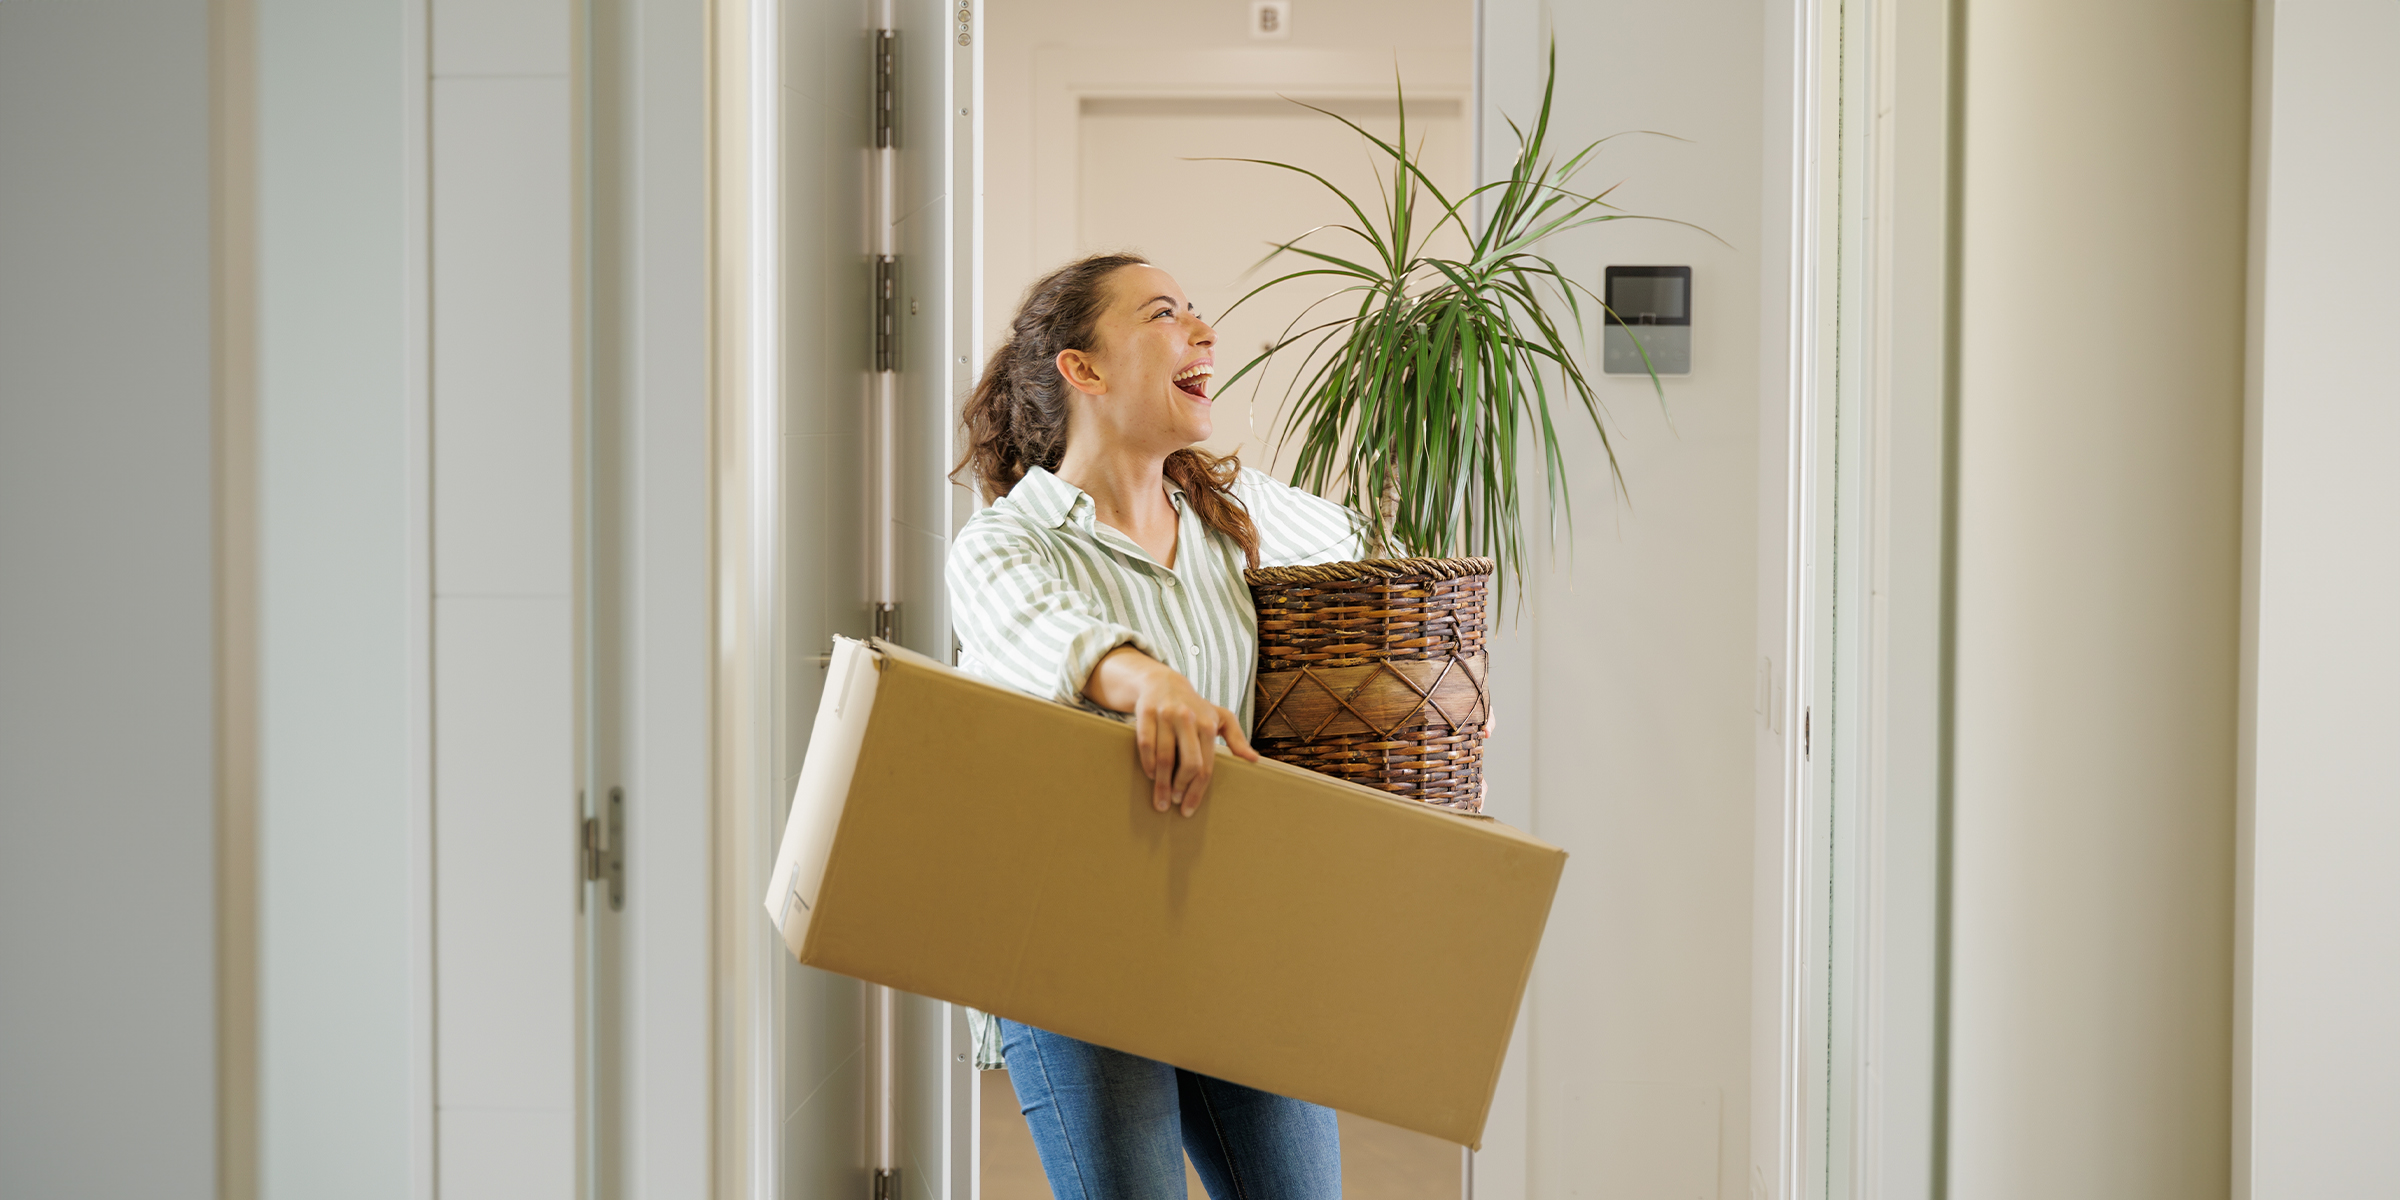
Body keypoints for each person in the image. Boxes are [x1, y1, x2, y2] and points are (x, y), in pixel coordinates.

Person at [947, 252, 1364, 1200]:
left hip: (1230, 935)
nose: (1204, 333)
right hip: (1070, 954)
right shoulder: (1005, 541)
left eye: (1197, 314)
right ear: (1082, 370)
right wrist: (1145, 681)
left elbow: (1384, 575)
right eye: (1166, 315)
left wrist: (1449, 683)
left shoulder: (1236, 515)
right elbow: (1032, 630)